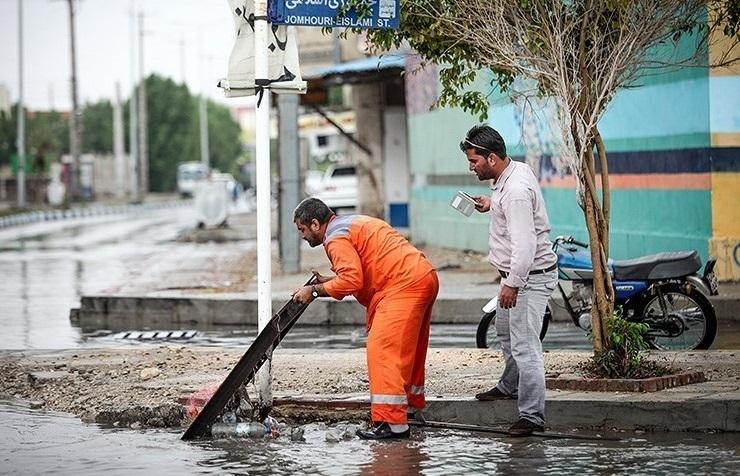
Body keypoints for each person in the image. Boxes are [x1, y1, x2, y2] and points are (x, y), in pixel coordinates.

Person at [292, 198, 439, 440]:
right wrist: (327, 282)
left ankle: (393, 424)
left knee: (382, 350)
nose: (303, 236)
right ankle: (409, 409)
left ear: (316, 224)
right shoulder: (351, 223)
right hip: (422, 276)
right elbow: (363, 267)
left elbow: (352, 280)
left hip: (401, 285)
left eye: (302, 230)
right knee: (409, 351)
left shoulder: (335, 239)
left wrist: (315, 291)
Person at [461, 124, 558, 436]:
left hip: (526, 280)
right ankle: (509, 385)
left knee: (526, 346)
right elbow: (513, 209)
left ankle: (532, 416)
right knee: (504, 331)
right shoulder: (512, 173)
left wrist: (512, 284)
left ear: (491, 159)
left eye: (474, 161)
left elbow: (525, 245)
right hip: (516, 277)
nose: (471, 167)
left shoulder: (514, 191)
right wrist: (490, 204)